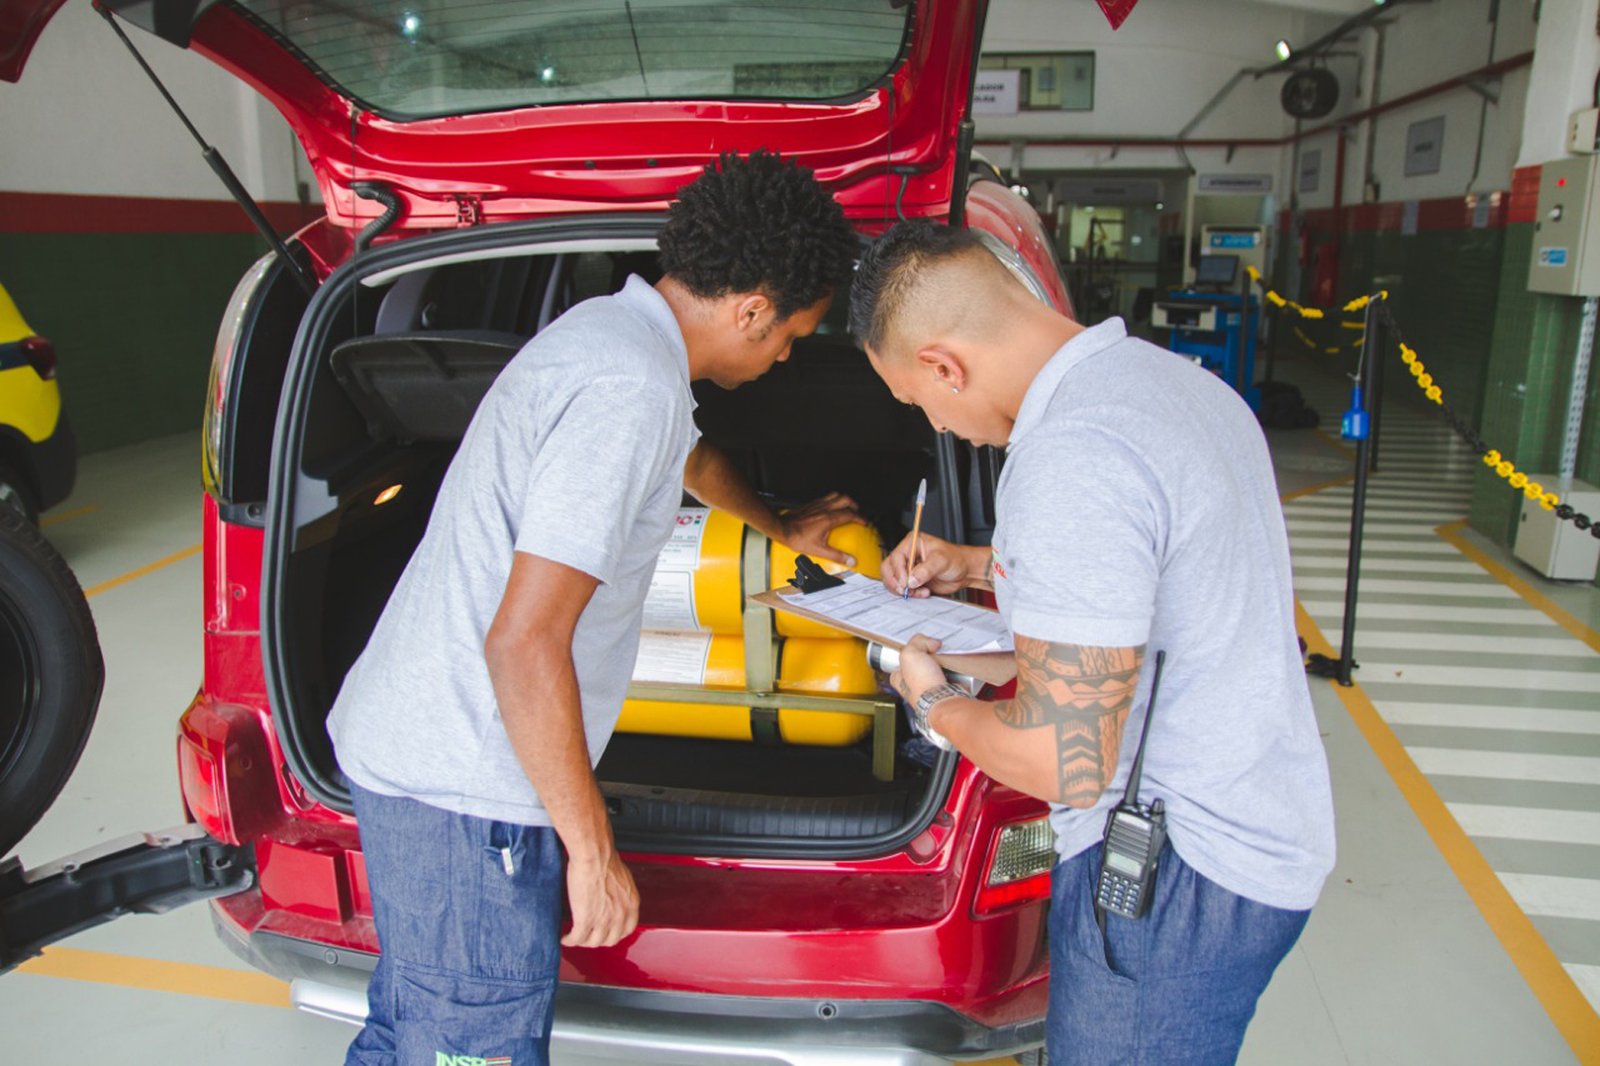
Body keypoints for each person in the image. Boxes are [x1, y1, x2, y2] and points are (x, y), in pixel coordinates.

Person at [327, 149, 860, 1066]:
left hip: (421, 751)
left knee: (413, 1030)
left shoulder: (615, 335)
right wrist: (591, 849)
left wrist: (778, 524)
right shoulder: (630, 389)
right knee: (468, 1047)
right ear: (750, 310)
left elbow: (687, 456)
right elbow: (524, 640)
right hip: (470, 786)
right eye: (791, 335)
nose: (785, 356)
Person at [849, 222, 1335, 1065]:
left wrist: (932, 699)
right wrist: (979, 564)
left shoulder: (1070, 456)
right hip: (1254, 822)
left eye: (918, 402)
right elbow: (1154, 580)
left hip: (1176, 876)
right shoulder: (1174, 385)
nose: (940, 425)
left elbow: (1062, 759)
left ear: (943, 366)